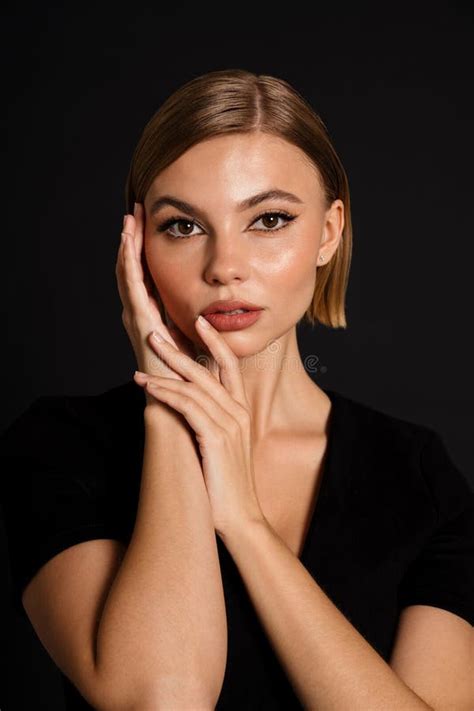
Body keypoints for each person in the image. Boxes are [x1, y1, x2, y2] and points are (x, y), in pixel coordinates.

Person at [1, 68, 473, 710]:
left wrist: (245, 524)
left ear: (329, 233)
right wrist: (169, 407)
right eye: (183, 227)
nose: (225, 266)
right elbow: (161, 701)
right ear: (136, 248)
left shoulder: (418, 475)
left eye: (269, 219)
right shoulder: (57, 448)